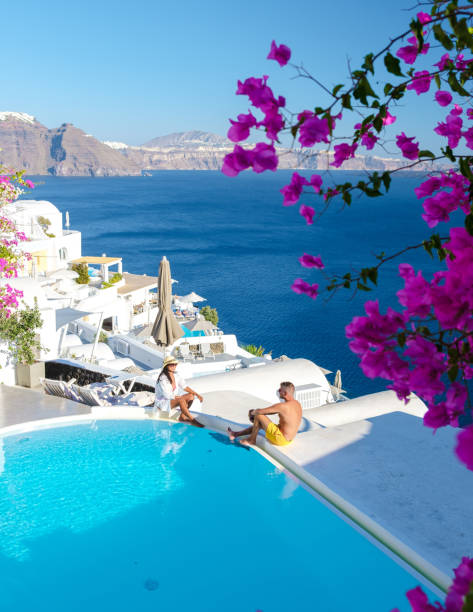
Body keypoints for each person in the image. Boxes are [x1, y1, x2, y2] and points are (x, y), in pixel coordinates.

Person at [227, 381, 302, 446]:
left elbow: (260, 412)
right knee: (259, 421)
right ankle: (235, 434)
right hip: (288, 439)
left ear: (285, 393)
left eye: (280, 390)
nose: (278, 391)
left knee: (258, 416)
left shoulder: (283, 406)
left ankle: (252, 440)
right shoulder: (297, 404)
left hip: (281, 439)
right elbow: (271, 411)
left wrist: (252, 413)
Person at [154, 356, 204, 427]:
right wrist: (176, 397)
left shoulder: (175, 375)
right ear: (166, 366)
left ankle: (182, 417)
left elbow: (184, 386)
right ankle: (192, 420)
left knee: (191, 396)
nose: (174, 366)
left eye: (175, 364)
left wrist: (197, 394)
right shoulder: (163, 378)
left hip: (172, 399)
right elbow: (166, 395)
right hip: (162, 402)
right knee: (181, 399)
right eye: (172, 364)